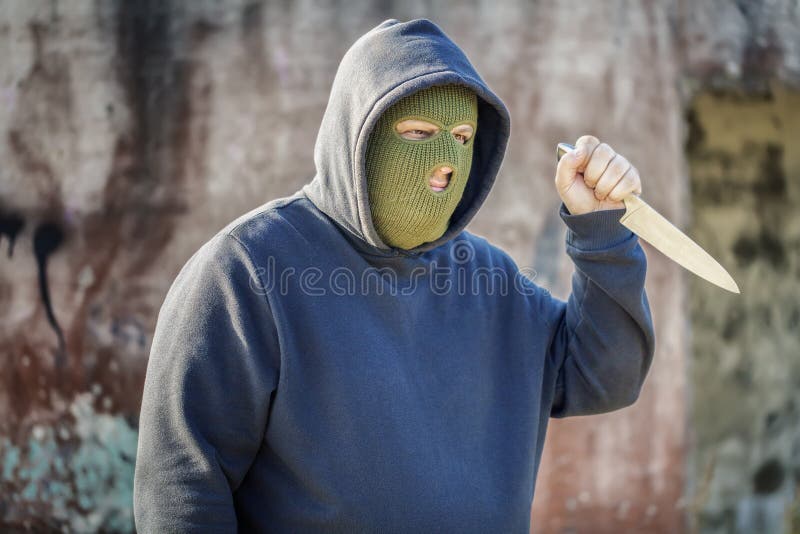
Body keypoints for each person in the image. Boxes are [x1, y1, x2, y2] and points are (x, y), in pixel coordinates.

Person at [133, 18, 654, 533]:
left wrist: (600, 229)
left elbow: (605, 375)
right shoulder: (247, 271)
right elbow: (183, 489)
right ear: (360, 135)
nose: (445, 161)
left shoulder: (491, 281)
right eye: (419, 133)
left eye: (463, 137)